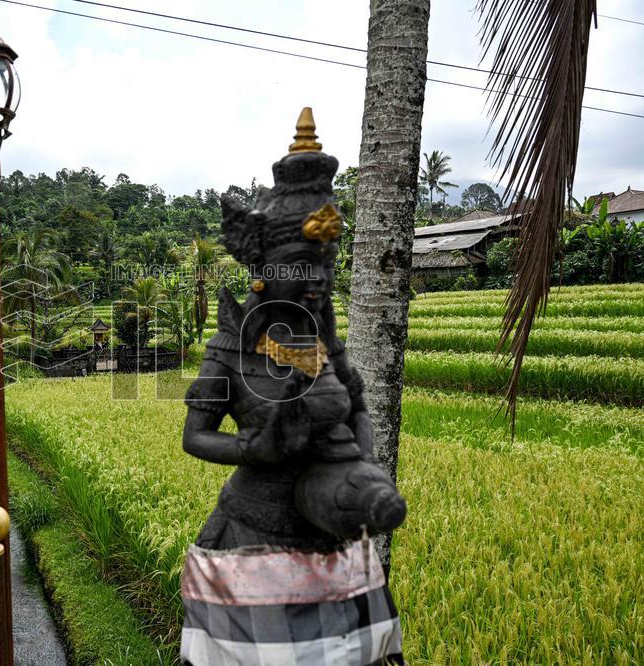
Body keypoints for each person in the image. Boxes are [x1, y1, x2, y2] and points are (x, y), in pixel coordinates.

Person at [180, 109, 405, 665]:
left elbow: (358, 408)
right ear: (265, 269)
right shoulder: (230, 351)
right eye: (304, 265)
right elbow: (194, 436)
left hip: (335, 545)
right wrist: (251, 449)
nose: (319, 281)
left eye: (326, 264)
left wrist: (361, 465)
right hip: (253, 541)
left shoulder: (327, 345)